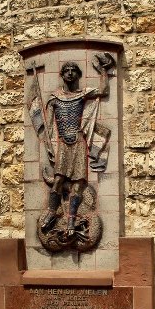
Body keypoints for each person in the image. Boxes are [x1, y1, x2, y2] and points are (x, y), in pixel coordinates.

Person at [41, 55, 113, 237]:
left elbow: (104, 90)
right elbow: (47, 127)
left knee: (78, 185)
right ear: (62, 75)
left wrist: (103, 70)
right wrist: (50, 148)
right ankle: (51, 213)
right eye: (67, 71)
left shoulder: (82, 94)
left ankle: (71, 219)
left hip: (79, 143)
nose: (71, 73)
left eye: (74, 71)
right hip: (63, 145)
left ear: (78, 75)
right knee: (57, 181)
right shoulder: (54, 98)